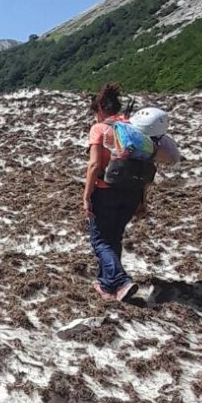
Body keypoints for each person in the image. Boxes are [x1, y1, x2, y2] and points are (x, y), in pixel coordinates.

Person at [83, 83, 144, 303]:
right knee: (113, 238)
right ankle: (109, 287)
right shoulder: (134, 127)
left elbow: (94, 165)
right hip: (132, 192)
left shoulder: (99, 129)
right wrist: (142, 198)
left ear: (100, 108)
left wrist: (87, 196)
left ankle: (121, 280)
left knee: (99, 241)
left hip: (106, 192)